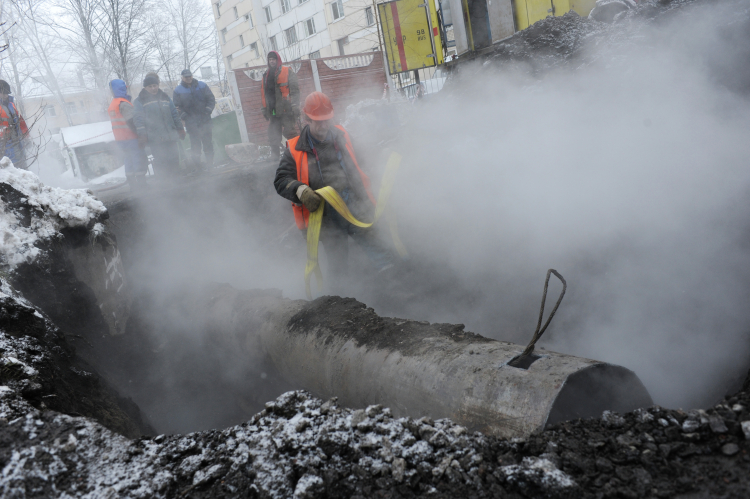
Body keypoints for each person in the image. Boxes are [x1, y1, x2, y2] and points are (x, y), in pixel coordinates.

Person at [273, 91, 394, 286]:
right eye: (317, 121)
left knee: (377, 247)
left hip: (355, 204)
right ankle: (342, 299)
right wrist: (301, 190)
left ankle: (393, 282)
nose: (323, 126)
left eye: (326, 120)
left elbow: (361, 161)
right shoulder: (295, 149)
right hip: (326, 216)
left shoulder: (342, 135)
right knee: (338, 263)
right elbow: (281, 180)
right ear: (307, 119)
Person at [134, 73, 186, 179]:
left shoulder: (165, 97)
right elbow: (139, 120)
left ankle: (177, 181)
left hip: (170, 136)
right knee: (162, 161)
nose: (153, 88)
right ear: (145, 87)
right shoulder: (140, 101)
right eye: (150, 86)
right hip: (155, 138)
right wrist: (142, 135)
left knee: (174, 159)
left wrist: (180, 128)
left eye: (155, 85)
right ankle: (165, 183)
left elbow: (174, 114)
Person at [108, 79, 148, 190]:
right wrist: (140, 134)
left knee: (128, 159)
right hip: (130, 137)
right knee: (137, 158)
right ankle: (142, 185)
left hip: (121, 139)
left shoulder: (113, 104)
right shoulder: (123, 103)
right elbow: (131, 121)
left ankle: (132, 185)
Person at [172, 69, 215, 172]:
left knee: (208, 143)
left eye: (190, 76)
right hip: (191, 122)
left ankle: (210, 165)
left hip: (205, 120)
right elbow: (177, 107)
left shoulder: (202, 85)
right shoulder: (177, 90)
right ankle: (199, 166)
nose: (188, 78)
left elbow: (211, 99)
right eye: (186, 77)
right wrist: (185, 116)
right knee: (195, 145)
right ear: (182, 77)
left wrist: (208, 110)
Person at [261, 51, 300, 161]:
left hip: (286, 110)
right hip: (273, 111)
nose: (272, 61)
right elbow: (264, 94)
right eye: (270, 59)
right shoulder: (266, 75)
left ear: (278, 60)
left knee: (290, 133)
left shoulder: (287, 71)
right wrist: (264, 109)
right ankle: (275, 157)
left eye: (273, 59)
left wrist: (296, 105)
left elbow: (295, 90)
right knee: (273, 134)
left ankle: (297, 154)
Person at [0, 80, 28, 170]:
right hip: (4, 146)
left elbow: (20, 121)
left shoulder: (11, 105)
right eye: (3, 93)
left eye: (7, 93)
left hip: (18, 143)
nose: (5, 95)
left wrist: (26, 136)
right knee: (11, 171)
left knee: (23, 170)